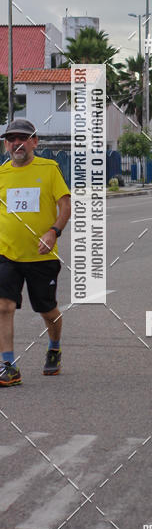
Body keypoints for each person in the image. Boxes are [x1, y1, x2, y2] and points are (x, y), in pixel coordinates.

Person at [0, 119, 71, 386]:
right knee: (3, 306)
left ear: (34, 142)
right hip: (6, 254)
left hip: (42, 256)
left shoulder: (49, 168)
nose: (17, 143)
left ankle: (54, 345)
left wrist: (53, 231)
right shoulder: (2, 174)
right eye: (11, 138)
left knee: (47, 310)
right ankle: (8, 365)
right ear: (6, 144)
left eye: (23, 138)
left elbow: (64, 205)